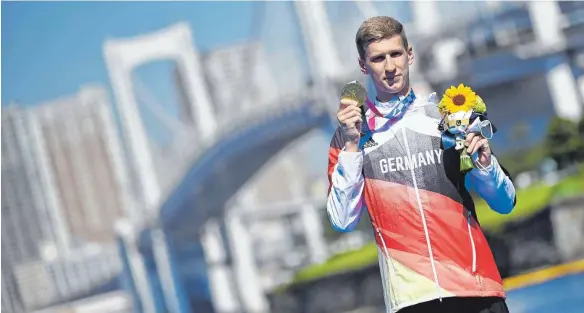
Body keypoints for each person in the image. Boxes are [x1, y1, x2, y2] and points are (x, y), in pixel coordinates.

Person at [326, 16, 517, 313]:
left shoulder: (447, 118)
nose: (390, 67)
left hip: (477, 291)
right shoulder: (351, 136)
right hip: (412, 301)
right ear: (364, 66)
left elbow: (505, 203)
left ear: (410, 54)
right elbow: (342, 220)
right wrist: (351, 147)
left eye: (395, 54)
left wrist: (485, 164)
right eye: (378, 58)